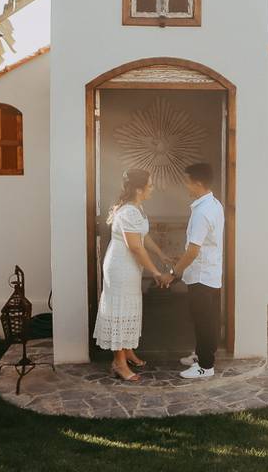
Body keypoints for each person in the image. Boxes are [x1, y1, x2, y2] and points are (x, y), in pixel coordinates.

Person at [93, 168, 173, 381]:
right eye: (150, 185)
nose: (152, 188)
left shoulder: (137, 208)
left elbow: (144, 237)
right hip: (120, 266)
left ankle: (127, 351)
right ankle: (118, 362)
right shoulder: (128, 212)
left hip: (129, 266)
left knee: (129, 307)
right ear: (139, 189)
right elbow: (136, 247)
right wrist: (155, 272)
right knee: (120, 309)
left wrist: (161, 255)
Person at [171, 162, 225, 379]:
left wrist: (174, 273)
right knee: (207, 319)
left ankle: (205, 366)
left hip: (201, 276)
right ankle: (201, 355)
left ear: (198, 183)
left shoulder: (202, 212)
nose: (186, 185)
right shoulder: (214, 204)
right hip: (210, 273)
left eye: (188, 181)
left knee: (204, 321)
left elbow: (193, 251)